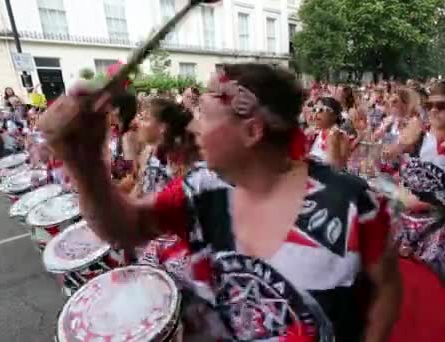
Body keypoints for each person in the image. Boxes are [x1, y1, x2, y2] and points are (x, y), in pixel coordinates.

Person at [38, 63, 402, 342]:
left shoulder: (355, 203)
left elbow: (387, 288)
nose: (194, 129)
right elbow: (123, 229)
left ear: (251, 131)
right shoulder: (199, 188)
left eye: (204, 116)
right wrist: (83, 163)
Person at [381, 81, 445, 277]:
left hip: (440, 228)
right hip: (402, 219)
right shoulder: (415, 135)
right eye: (429, 106)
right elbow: (381, 165)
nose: (434, 111)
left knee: (428, 285)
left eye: (442, 106)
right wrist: (401, 144)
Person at [307, 96, 350, 169]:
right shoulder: (315, 133)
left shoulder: (340, 135)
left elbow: (339, 167)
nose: (316, 113)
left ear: (334, 116)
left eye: (321, 110)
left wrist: (333, 143)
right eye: (315, 109)